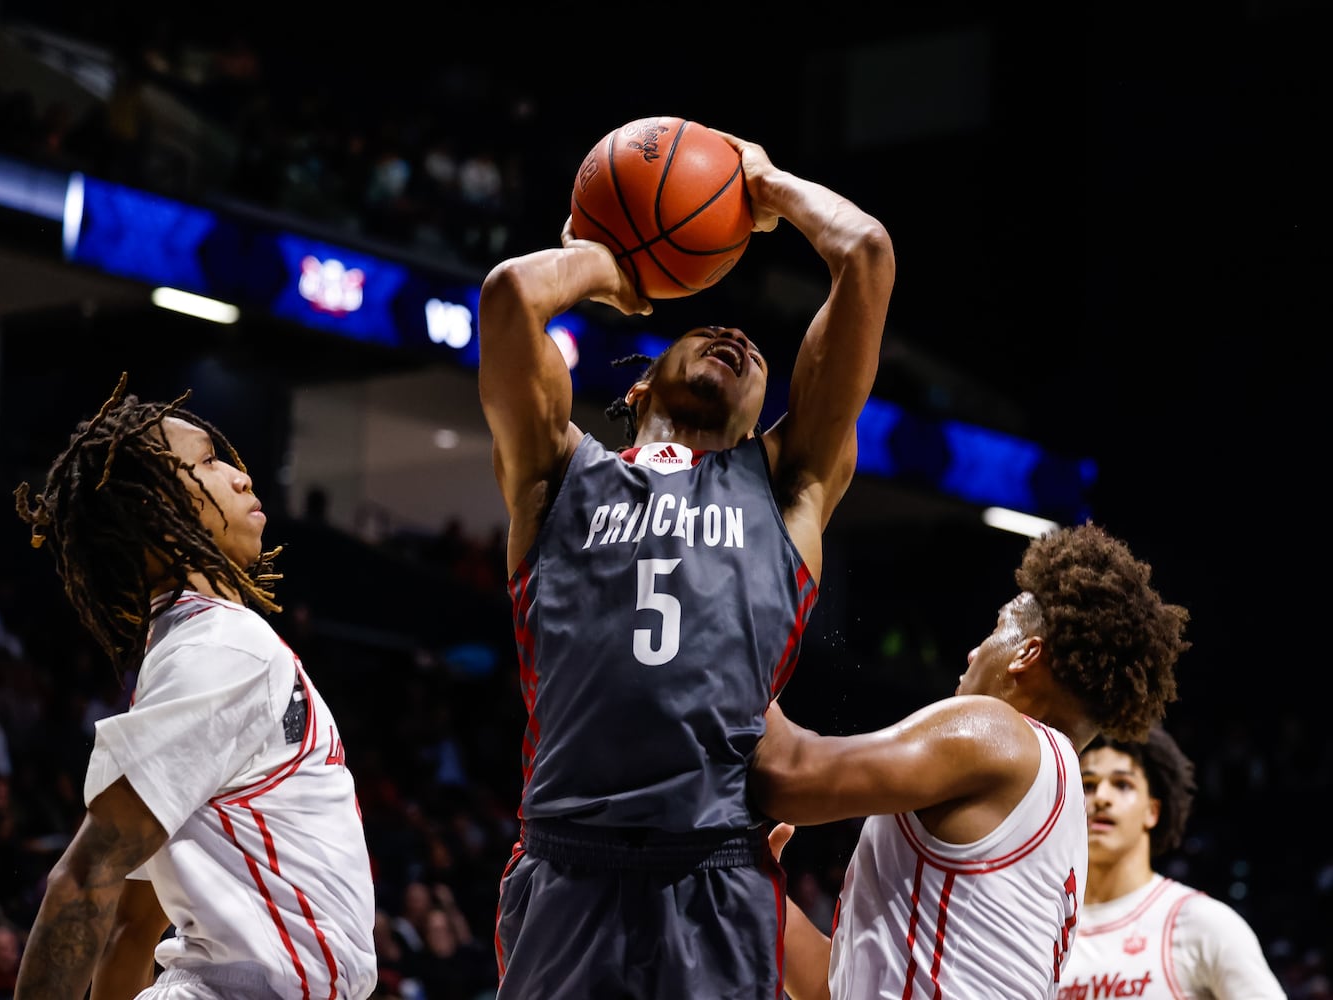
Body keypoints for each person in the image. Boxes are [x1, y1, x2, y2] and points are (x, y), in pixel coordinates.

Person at [476, 124, 894, 999]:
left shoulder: (788, 487)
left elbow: (863, 253)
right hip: (567, 858)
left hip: (714, 862)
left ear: (759, 411)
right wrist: (608, 266)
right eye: (706, 328)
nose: (734, 340)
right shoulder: (559, 474)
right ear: (634, 389)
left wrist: (766, 186)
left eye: (751, 353)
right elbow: (511, 293)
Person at [11, 374, 377, 1000]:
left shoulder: (194, 655)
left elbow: (134, 927)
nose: (241, 476)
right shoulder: (222, 651)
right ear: (157, 511)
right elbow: (83, 879)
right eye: (208, 462)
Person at [753, 521, 1191, 999]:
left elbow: (784, 774)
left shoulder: (1001, 736)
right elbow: (831, 989)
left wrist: (730, 638)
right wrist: (762, 894)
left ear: (1026, 654)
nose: (974, 650)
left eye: (997, 627)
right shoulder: (1059, 825)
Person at [1062, 726, 1287, 999]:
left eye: (1122, 784)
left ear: (1152, 812)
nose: (1102, 798)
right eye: (1088, 785)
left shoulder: (1202, 922)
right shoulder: (1046, 928)